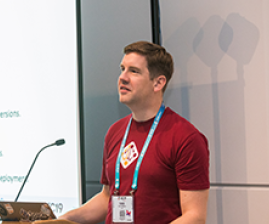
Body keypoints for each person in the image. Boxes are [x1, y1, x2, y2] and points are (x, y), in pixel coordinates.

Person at [60, 41, 209, 224]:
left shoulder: (186, 138)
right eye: (122, 69)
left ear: (158, 83)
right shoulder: (115, 132)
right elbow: (107, 198)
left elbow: (194, 216)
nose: (122, 77)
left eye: (134, 71)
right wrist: (63, 219)